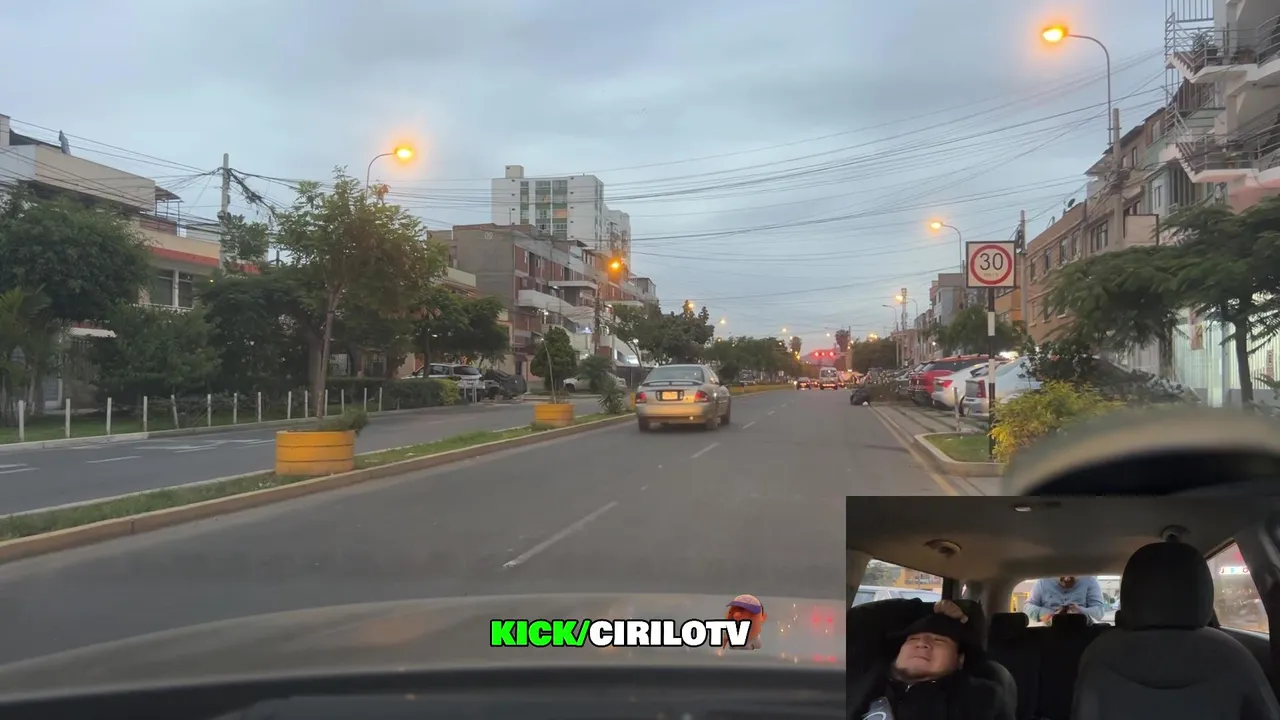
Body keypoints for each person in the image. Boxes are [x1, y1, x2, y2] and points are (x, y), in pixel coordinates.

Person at [853, 599, 1003, 720]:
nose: (922, 643)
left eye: (939, 640)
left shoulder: (981, 699)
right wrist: (926, 609)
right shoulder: (862, 676)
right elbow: (856, 618)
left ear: (960, 659)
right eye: (913, 639)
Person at [1022, 576, 1106, 625]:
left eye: (1072, 575)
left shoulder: (1090, 580)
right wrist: (1049, 615)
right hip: (1049, 634)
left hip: (1082, 633)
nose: (1067, 579)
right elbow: (1027, 607)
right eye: (1062, 577)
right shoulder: (1043, 582)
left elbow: (1099, 611)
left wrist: (1081, 611)